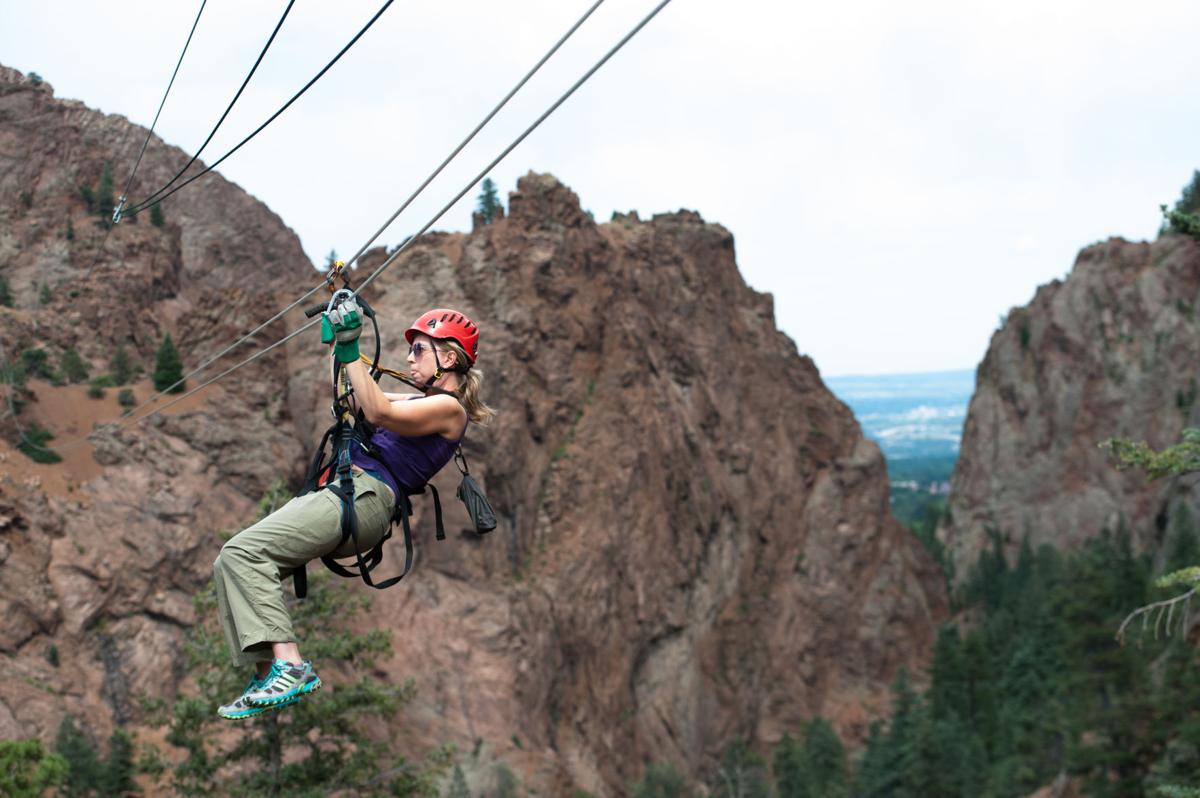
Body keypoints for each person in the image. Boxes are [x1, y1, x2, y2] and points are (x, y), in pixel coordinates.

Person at [212, 305, 494, 719]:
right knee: (231, 562)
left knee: (244, 552)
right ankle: (267, 672)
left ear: (449, 358)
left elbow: (378, 411)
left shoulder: (450, 410)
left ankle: (290, 666)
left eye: (419, 349)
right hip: (346, 491)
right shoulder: (421, 401)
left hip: (363, 497)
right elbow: (360, 399)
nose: (410, 358)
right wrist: (339, 347)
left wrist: (350, 347)